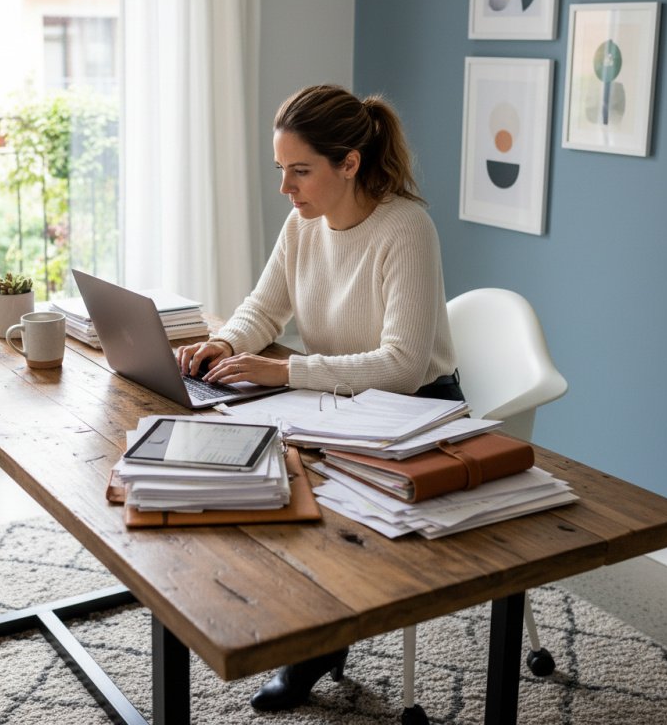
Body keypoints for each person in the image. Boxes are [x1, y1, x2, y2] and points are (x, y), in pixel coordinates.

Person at [177, 84, 463, 711]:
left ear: (350, 163)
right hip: (334, 399)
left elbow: (402, 364)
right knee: (255, 474)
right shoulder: (303, 222)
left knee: (301, 494)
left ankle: (314, 640)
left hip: (413, 409)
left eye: (300, 171)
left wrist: (285, 374)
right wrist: (223, 344)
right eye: (281, 170)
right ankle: (308, 628)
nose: (287, 188)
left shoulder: (406, 228)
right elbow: (265, 305)